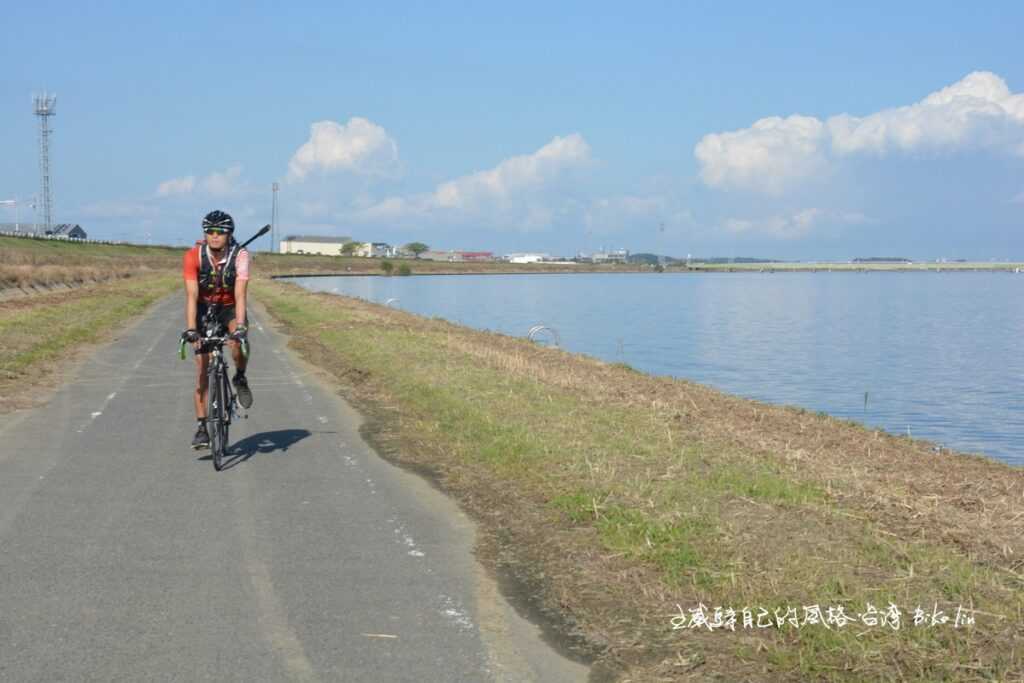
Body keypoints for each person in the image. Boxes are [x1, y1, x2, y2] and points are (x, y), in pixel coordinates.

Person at [181, 210, 253, 449]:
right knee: (202, 369)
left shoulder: (240, 256)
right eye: (209, 231)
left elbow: (240, 294)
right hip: (204, 308)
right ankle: (202, 427)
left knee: (237, 345)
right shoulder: (193, 256)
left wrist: (240, 327)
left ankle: (239, 377)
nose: (214, 236)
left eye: (220, 232)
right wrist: (192, 329)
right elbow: (191, 295)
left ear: (229, 234)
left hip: (230, 307)